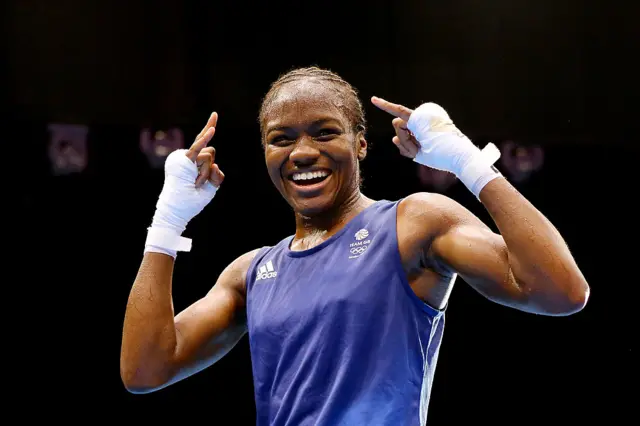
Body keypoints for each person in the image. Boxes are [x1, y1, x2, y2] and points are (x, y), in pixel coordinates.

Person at [120, 67, 589, 425]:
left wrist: (467, 161)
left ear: (361, 145)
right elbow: (144, 371)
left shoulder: (413, 223)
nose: (302, 152)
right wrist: (167, 221)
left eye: (324, 132)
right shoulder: (251, 273)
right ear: (265, 154)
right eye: (281, 139)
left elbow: (560, 292)